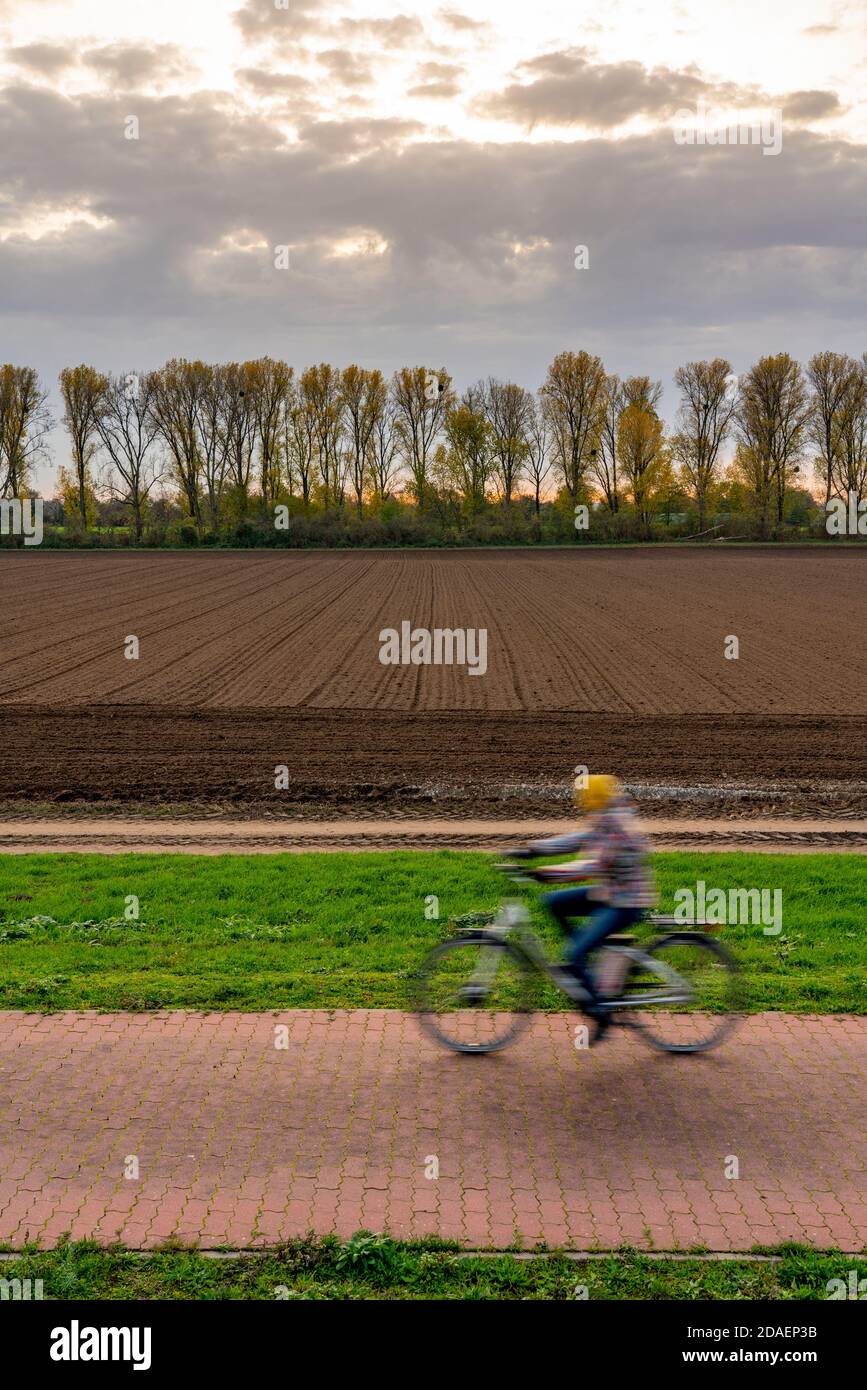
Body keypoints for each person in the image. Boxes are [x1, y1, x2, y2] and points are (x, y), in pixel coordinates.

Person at [510, 773, 657, 1040]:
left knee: (573, 955)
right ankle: (585, 956)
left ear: (593, 797)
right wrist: (534, 850)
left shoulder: (618, 826)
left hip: (626, 902)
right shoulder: (607, 816)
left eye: (584, 796)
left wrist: (547, 874)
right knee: (553, 902)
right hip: (609, 892)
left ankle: (599, 1010)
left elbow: (593, 866)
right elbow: (578, 839)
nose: (580, 802)